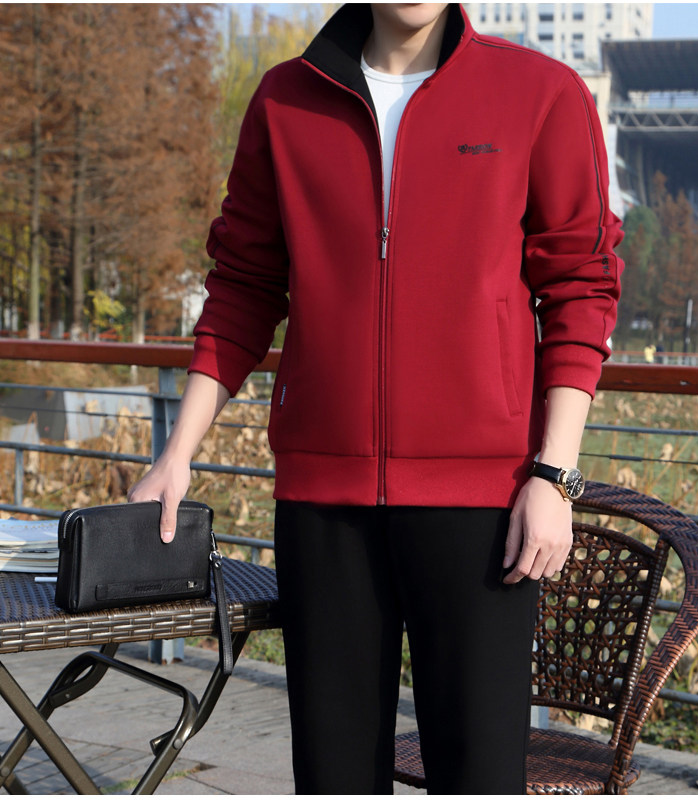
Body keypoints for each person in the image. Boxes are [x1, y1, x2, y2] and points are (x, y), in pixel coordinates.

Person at [129, 3, 623, 794]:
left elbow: (580, 287)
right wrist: (176, 453)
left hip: (484, 505)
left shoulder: (540, 92)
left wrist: (553, 475)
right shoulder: (286, 98)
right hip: (323, 503)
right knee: (333, 775)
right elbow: (243, 286)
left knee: (479, 776)